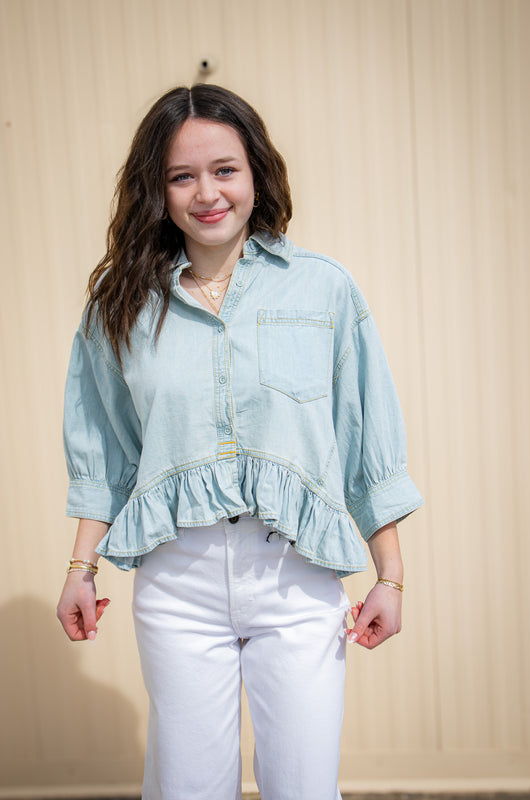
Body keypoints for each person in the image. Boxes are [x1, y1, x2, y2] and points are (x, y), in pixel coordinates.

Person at [57, 84, 423, 800]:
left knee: (304, 789)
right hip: (177, 582)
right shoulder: (119, 305)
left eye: (224, 169)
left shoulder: (324, 291)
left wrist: (389, 576)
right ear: (156, 191)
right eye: (181, 176)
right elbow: (104, 455)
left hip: (295, 575)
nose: (206, 193)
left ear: (256, 172)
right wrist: (81, 566)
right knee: (187, 789)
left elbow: (363, 442)